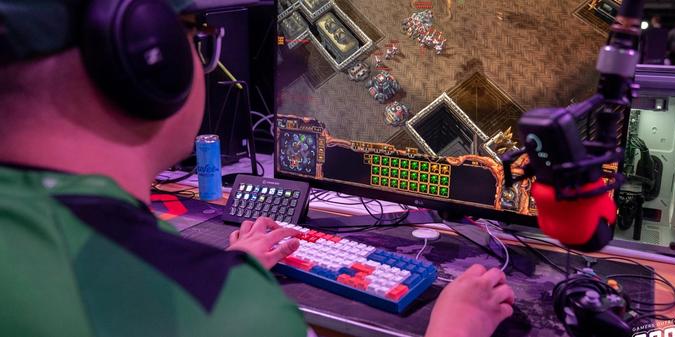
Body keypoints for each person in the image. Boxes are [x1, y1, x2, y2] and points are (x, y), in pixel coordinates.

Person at [0, 0, 515, 336]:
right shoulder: (230, 312)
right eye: (194, 34)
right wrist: (457, 329)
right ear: (147, 58)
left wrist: (232, 264)